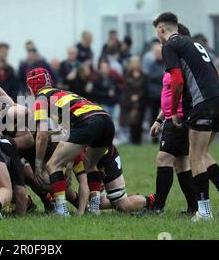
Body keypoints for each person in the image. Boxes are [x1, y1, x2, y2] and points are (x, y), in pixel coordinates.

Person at [153, 12, 219, 221]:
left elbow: (177, 81)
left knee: (195, 157)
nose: (158, 37)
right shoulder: (194, 44)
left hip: (203, 102)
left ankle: (205, 212)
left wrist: (171, 112)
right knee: (203, 153)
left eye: (157, 33)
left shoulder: (170, 46)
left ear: (162, 30)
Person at [27, 68, 115, 216]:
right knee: (90, 164)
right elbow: (69, 135)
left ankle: (62, 211)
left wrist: (37, 165)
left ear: (31, 88)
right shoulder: (62, 93)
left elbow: (42, 134)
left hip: (88, 122)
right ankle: (94, 209)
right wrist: (68, 166)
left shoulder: (40, 99)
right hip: (106, 119)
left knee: (52, 165)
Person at [124, 56, 147, 144]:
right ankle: (132, 139)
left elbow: (144, 88)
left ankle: (138, 140)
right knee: (132, 121)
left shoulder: (143, 74)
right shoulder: (127, 75)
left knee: (140, 121)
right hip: (130, 101)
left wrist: (138, 96)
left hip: (140, 101)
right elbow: (126, 87)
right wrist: (132, 96)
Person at [145, 42, 164, 142]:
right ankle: (154, 136)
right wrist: (161, 76)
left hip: (164, 95)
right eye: (156, 52)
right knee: (153, 116)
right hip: (153, 95)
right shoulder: (152, 65)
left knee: (166, 116)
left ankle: (164, 136)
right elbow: (150, 77)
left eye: (159, 52)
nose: (158, 54)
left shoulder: (167, 63)